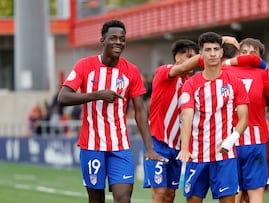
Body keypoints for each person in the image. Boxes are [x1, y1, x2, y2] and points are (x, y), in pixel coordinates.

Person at [57, 19, 167, 203]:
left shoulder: (131, 71)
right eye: (113, 38)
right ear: (102, 40)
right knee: (96, 199)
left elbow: (140, 111)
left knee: (124, 199)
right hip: (92, 145)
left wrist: (149, 148)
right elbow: (63, 97)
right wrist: (98, 95)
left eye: (122, 39)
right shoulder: (85, 66)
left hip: (120, 146)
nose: (118, 42)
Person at [176, 32, 249, 203]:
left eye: (216, 49)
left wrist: (231, 140)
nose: (213, 53)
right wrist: (185, 148)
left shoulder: (234, 82)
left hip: (225, 156)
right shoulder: (191, 84)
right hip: (197, 155)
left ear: (222, 53)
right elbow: (187, 117)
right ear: (201, 54)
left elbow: (244, 119)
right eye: (208, 50)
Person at [223, 38, 269, 203]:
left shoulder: (225, 70)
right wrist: (265, 69)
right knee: (254, 194)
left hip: (229, 140)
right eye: (244, 52)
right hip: (254, 140)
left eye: (252, 52)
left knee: (234, 194)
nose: (248, 56)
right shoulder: (261, 73)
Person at [143, 39, 200, 203]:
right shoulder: (164, 71)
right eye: (189, 56)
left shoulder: (190, 83)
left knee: (170, 195)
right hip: (157, 143)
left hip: (176, 146)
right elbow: (182, 68)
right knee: (159, 193)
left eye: (195, 57)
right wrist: (210, 51)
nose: (193, 60)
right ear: (177, 57)